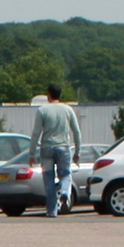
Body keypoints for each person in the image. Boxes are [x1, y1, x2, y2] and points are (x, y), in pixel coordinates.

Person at [30, 84, 81, 217]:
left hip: (46, 148)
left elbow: (36, 132)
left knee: (48, 179)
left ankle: (52, 211)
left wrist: (31, 153)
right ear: (60, 95)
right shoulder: (68, 110)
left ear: (49, 95)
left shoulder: (42, 110)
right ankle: (65, 192)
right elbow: (76, 131)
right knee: (65, 174)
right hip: (63, 147)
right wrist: (77, 152)